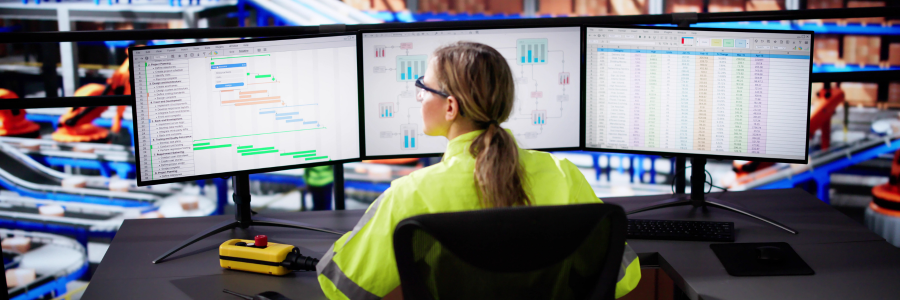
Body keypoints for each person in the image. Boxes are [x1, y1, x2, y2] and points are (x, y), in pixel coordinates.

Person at [316, 42, 640, 299]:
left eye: (422, 86)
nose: (418, 96)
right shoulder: (563, 173)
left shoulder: (413, 193)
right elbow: (625, 278)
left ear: (450, 106)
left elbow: (342, 287)